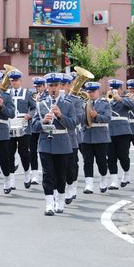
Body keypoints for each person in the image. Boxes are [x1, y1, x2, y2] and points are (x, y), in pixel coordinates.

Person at [32, 73, 77, 216]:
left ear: (60, 86)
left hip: (62, 142)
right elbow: (33, 126)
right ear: (46, 86)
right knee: (48, 174)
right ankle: (49, 203)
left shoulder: (67, 104)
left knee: (61, 174)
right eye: (50, 85)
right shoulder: (40, 104)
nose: (53, 88)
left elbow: (72, 124)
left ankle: (60, 199)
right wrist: (43, 121)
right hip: (45, 142)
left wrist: (60, 116)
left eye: (55, 85)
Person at [81, 82, 112, 194]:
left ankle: (103, 179)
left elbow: (108, 118)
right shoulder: (83, 103)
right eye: (89, 92)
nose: (91, 94)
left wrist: (96, 116)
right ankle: (89, 185)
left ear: (98, 91)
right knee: (87, 161)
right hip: (87, 136)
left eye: (93, 91)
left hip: (101, 136)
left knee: (101, 161)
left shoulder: (105, 104)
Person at [7, 70, 36, 189]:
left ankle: (27, 175)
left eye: (16, 80)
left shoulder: (27, 93)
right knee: (9, 153)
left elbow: (34, 108)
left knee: (24, 152)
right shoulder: (6, 93)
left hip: (24, 126)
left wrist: (29, 115)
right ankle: (11, 181)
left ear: (20, 81)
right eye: (12, 80)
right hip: (10, 125)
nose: (14, 82)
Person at [107, 79, 133, 189]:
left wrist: (120, 99)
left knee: (123, 157)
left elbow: (133, 106)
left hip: (123, 132)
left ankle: (126, 174)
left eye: (117, 88)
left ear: (121, 89)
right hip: (110, 132)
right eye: (112, 88)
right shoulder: (107, 100)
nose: (114, 91)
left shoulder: (126, 99)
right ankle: (114, 181)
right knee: (111, 157)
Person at [62, 74, 84, 204]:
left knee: (72, 165)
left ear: (69, 86)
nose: (64, 87)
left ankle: (72, 186)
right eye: (62, 85)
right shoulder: (52, 99)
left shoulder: (76, 100)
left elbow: (79, 118)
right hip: (56, 137)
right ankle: (62, 190)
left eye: (66, 85)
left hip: (71, 136)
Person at [29, 77, 47, 184]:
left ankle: (46, 172)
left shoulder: (48, 96)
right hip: (34, 126)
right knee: (32, 151)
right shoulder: (32, 96)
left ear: (44, 86)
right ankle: (34, 175)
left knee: (43, 152)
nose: (38, 89)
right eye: (36, 87)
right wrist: (30, 115)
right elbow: (31, 109)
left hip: (43, 127)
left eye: (39, 86)